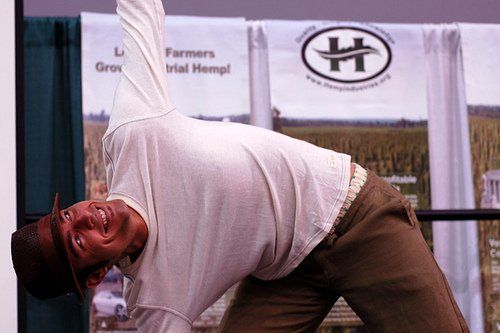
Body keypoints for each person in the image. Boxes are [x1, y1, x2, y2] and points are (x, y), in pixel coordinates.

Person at [11, 0, 470, 331]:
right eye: (77, 240)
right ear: (95, 275)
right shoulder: (156, 301)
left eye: (70, 213)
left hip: (356, 219)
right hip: (287, 274)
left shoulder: (135, 134)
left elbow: (141, 12)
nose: (87, 218)